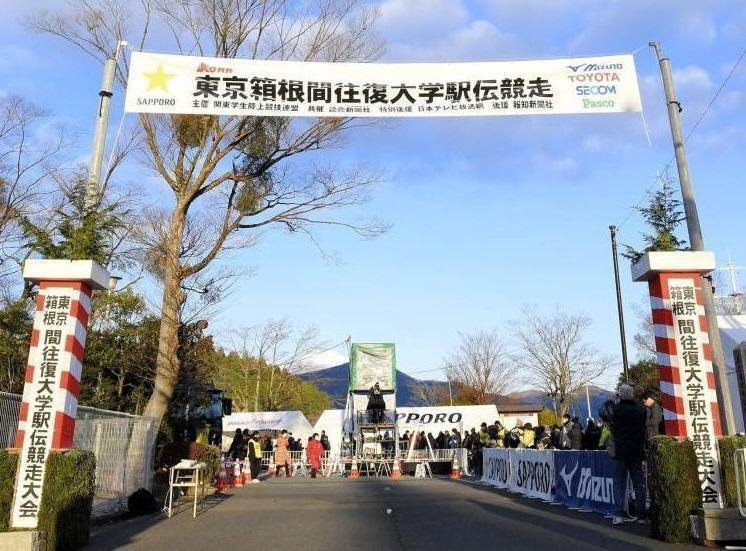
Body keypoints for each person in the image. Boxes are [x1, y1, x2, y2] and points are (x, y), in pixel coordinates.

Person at [611, 384, 647, 525]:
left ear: (620, 395)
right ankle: (642, 516)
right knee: (639, 484)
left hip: (620, 451)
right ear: (632, 394)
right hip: (637, 450)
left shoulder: (615, 409)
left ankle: (619, 515)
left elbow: (610, 424)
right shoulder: (640, 410)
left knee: (619, 483)